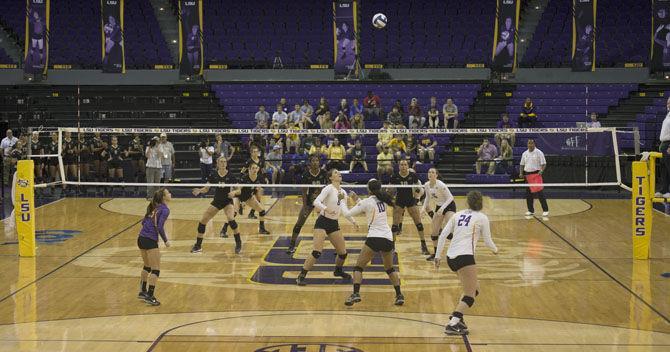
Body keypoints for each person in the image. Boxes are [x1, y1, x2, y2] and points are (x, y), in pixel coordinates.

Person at [435, 191, 498, 335]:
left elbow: (443, 235)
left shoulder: (457, 215)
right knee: (470, 294)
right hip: (465, 257)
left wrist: (437, 256)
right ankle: (453, 323)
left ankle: (459, 317)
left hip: (451, 257)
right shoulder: (482, 217)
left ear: (467, 202)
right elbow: (488, 241)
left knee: (474, 289)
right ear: (481, 202)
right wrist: (495, 250)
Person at [342, 179, 404, 306]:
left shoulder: (367, 202)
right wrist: (356, 199)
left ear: (369, 189)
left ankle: (356, 293)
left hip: (374, 238)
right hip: (387, 239)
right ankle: (399, 295)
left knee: (358, 267)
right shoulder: (384, 200)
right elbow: (368, 207)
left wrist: (342, 201)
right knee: (390, 269)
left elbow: (348, 213)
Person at [296, 169, 356, 286]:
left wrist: (353, 221)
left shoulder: (343, 192)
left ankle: (338, 271)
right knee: (317, 252)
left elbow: (344, 209)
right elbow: (316, 201)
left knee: (343, 253)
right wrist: (325, 208)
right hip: (322, 222)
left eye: (339, 172)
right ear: (330, 178)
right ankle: (301, 276)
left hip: (334, 224)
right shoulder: (328, 188)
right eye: (335, 173)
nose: (339, 174)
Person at [191, 157, 242, 253]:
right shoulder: (213, 175)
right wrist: (199, 190)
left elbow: (239, 190)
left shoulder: (231, 176)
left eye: (224, 162)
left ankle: (238, 243)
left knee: (231, 219)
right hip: (217, 201)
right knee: (203, 220)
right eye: (221, 162)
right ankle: (198, 246)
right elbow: (206, 189)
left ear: (226, 164)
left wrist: (234, 193)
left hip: (227, 201)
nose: (223, 163)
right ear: (217, 164)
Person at [137, 188, 172, 306]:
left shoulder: (154, 207)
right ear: (163, 197)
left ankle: (142, 291)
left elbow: (143, 223)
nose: (170, 194)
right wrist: (166, 241)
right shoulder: (165, 209)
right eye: (168, 193)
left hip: (141, 238)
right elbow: (160, 227)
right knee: (155, 270)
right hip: (149, 240)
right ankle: (150, 296)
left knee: (147, 266)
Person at [287, 155, 328, 254]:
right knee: (299, 222)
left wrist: (325, 204)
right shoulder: (306, 175)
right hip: (310, 201)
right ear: (310, 163)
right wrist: (305, 207)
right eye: (313, 160)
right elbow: (304, 192)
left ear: (319, 162)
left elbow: (326, 190)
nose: (315, 162)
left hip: (321, 202)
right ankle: (292, 245)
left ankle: (336, 246)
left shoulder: (324, 173)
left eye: (317, 160)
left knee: (330, 224)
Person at [390, 159, 428, 254]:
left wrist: (417, 199)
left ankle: (423, 245)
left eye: (405, 165)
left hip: (411, 201)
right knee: (395, 225)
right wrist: (390, 197)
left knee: (418, 223)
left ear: (408, 166)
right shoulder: (394, 176)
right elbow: (389, 189)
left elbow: (418, 190)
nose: (403, 166)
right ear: (399, 166)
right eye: (401, 165)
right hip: (399, 201)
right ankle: (392, 246)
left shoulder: (413, 176)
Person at [422, 168, 456, 260]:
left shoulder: (441, 184)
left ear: (436, 175)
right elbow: (427, 198)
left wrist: (442, 208)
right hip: (439, 207)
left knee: (449, 228)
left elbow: (450, 198)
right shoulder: (426, 185)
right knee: (434, 232)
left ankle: (456, 251)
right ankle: (436, 254)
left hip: (449, 206)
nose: (430, 174)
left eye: (433, 172)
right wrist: (423, 209)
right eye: (429, 172)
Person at [232, 162, 271, 237]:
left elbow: (259, 189)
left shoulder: (260, 178)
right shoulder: (244, 178)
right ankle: (224, 229)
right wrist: (241, 202)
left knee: (262, 210)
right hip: (238, 197)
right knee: (233, 213)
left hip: (249, 197)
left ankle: (262, 229)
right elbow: (238, 191)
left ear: (258, 169)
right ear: (249, 169)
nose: (254, 170)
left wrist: (257, 190)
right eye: (253, 168)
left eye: (256, 168)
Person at [520, 139, 549, 217]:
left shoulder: (539, 152)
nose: (530, 145)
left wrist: (541, 171)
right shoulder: (524, 153)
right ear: (527, 144)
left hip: (536, 174)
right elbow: (522, 164)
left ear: (534, 144)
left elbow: (544, 164)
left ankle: (545, 210)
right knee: (528, 194)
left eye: (531, 143)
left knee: (540, 193)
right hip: (527, 175)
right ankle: (530, 210)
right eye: (529, 143)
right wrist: (521, 172)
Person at [655, 97, 670, 198]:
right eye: (668, 102)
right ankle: (664, 191)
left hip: (668, 144)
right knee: (664, 169)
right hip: (663, 145)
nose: (668, 104)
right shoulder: (668, 115)